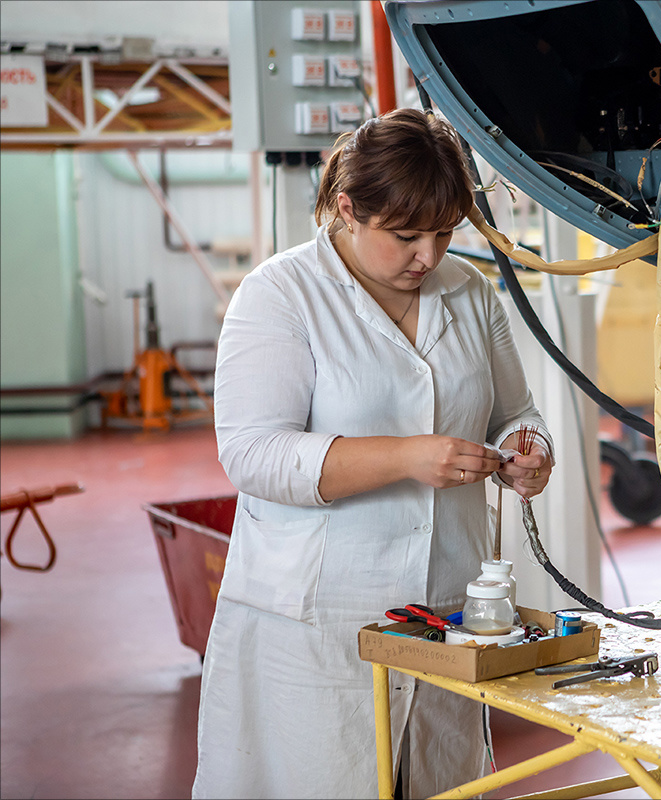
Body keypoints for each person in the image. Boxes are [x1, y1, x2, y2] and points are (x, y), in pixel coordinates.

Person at [193, 108, 554, 799]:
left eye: (444, 233)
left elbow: (518, 413)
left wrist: (526, 451)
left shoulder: (470, 295)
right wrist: (405, 458)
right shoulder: (280, 296)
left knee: (437, 780)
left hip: (447, 609)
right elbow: (253, 454)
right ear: (346, 209)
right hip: (318, 617)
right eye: (405, 236)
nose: (428, 256)